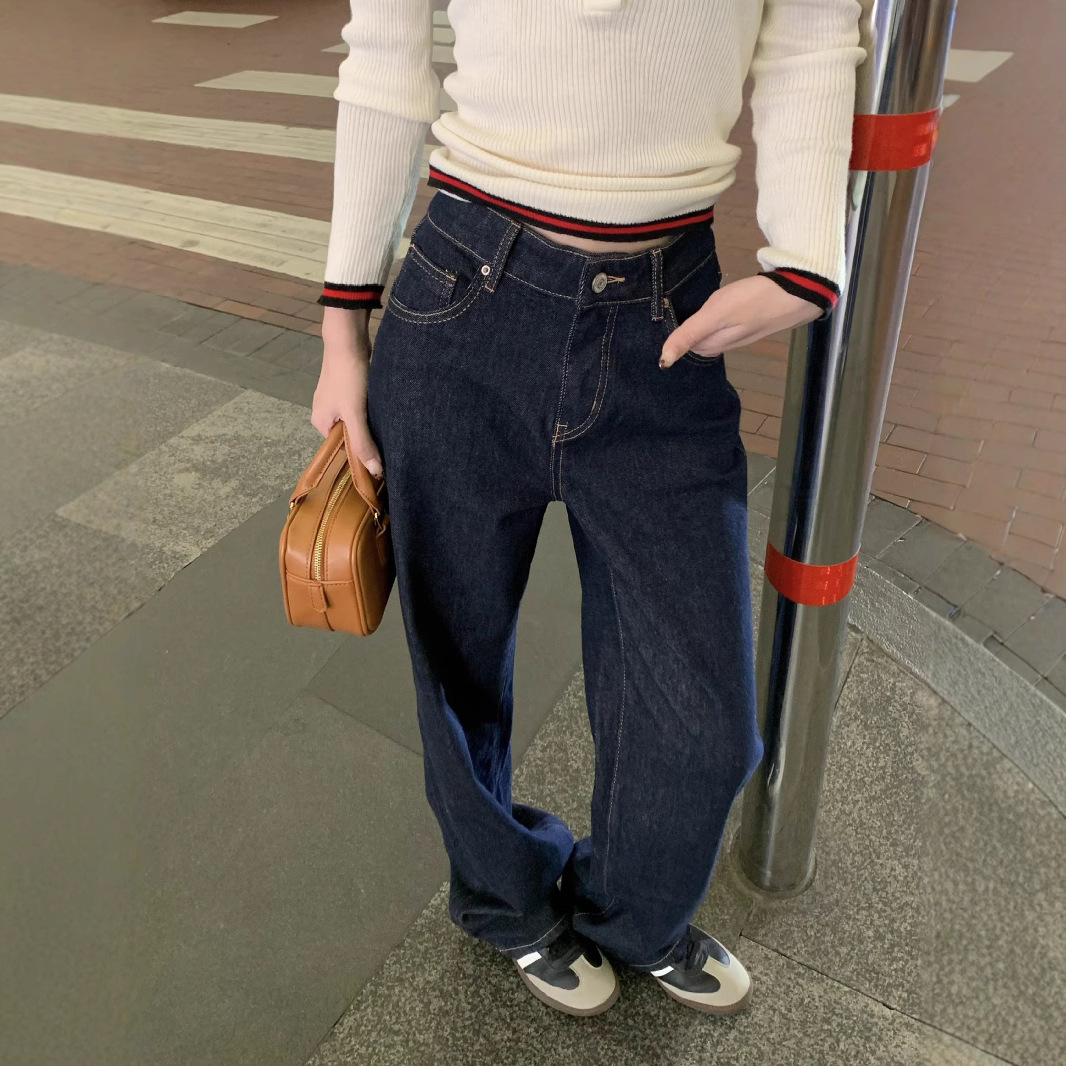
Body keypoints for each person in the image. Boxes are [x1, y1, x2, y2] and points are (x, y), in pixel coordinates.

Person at [312, 0, 864, 1018]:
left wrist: (807, 259)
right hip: (463, 292)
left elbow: (813, 31)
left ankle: (633, 915)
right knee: (456, 659)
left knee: (706, 724)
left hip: (666, 313)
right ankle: (504, 900)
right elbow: (385, 51)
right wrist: (343, 325)